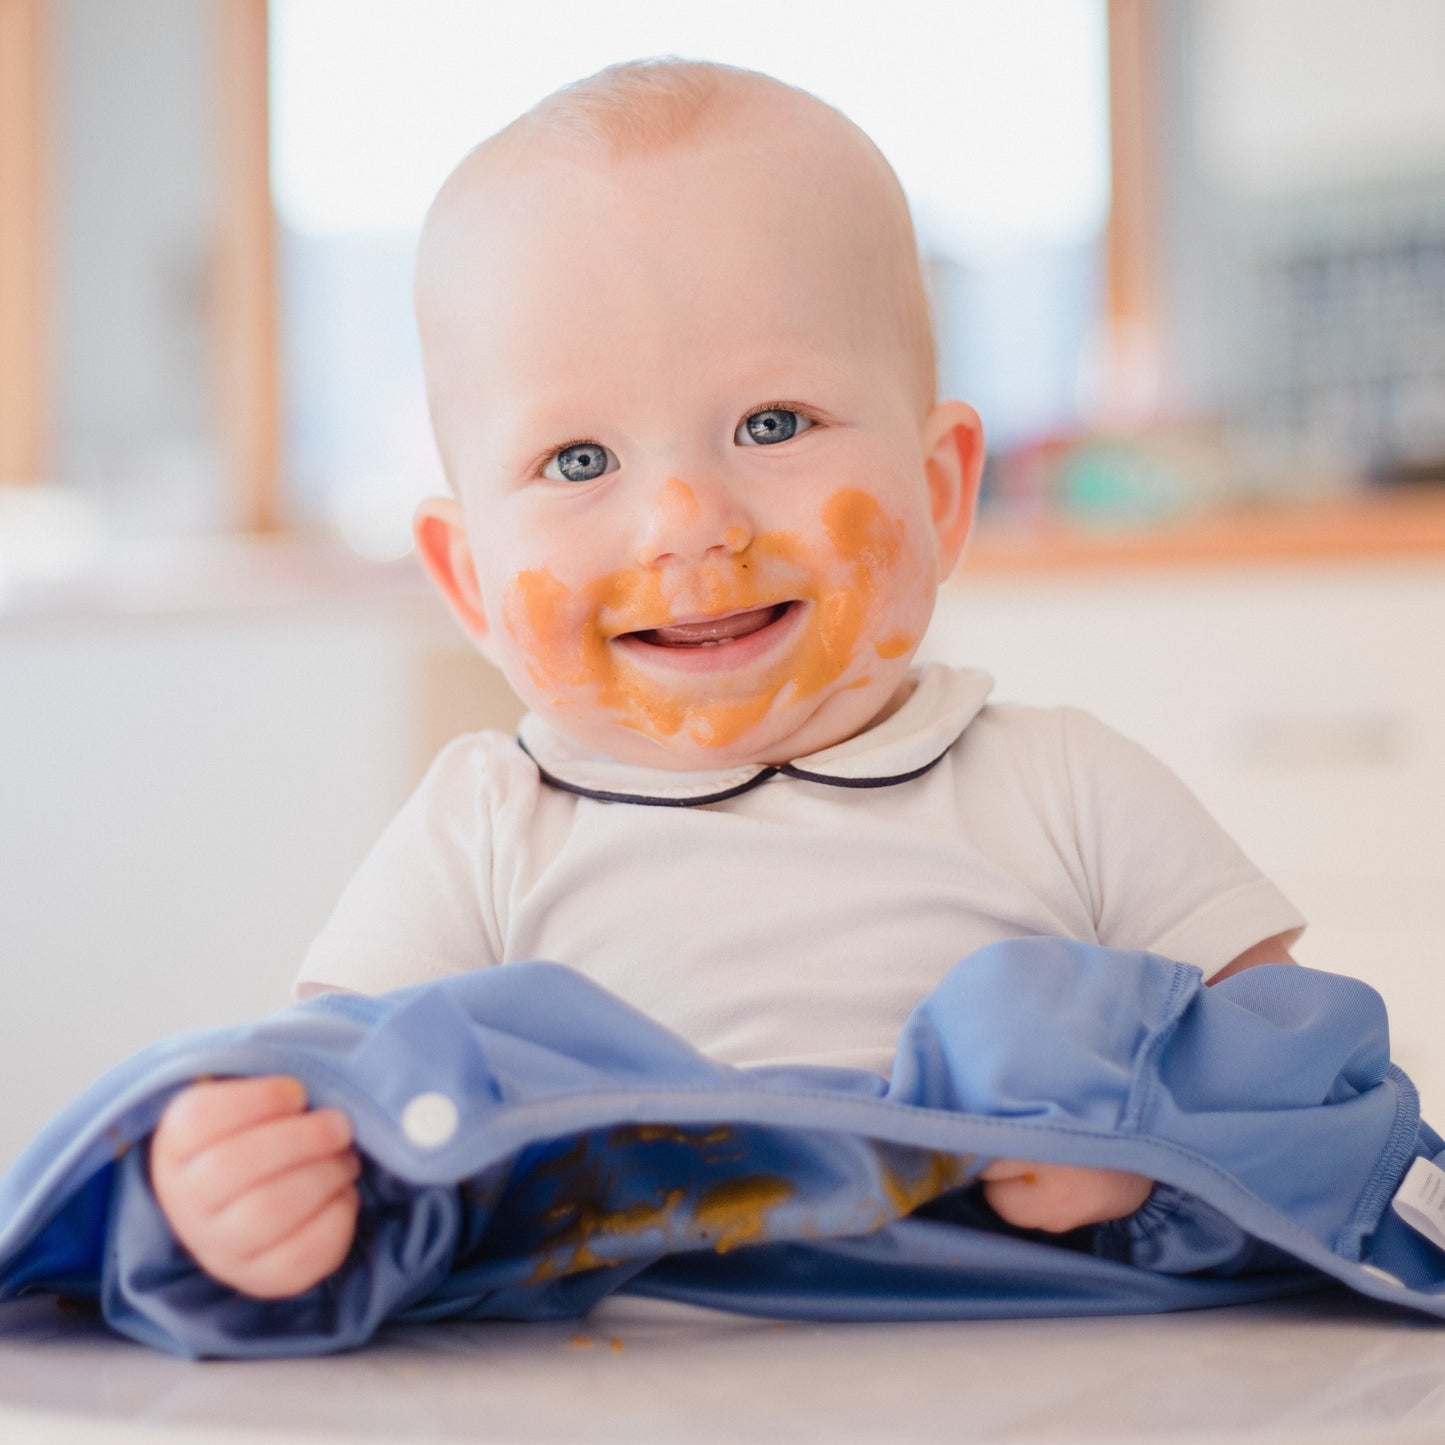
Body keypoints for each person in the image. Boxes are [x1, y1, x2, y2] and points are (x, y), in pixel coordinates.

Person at [149, 59, 1305, 1301]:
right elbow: (328, 1107)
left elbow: (1310, 1092)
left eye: (771, 423)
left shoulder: (1066, 789)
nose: (686, 521)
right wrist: (241, 1194)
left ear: (937, 490)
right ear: (469, 578)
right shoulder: (484, 831)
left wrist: (1144, 1145)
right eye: (577, 455)